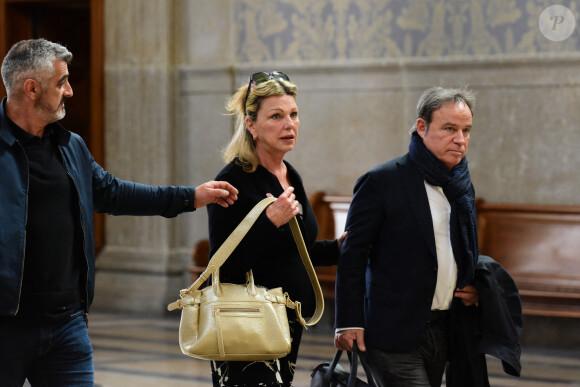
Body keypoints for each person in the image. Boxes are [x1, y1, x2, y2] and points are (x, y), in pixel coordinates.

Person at [0, 38, 238, 386]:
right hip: (6, 328)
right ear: (31, 88)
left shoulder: (70, 146)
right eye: (61, 82)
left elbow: (114, 193)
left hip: (67, 326)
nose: (69, 91)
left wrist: (190, 197)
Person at [207, 71, 347, 386]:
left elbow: (295, 251)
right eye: (276, 116)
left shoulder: (289, 174)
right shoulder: (233, 181)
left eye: (294, 114)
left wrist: (337, 249)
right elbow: (223, 267)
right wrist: (270, 223)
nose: (289, 124)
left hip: (285, 323)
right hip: (246, 325)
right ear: (251, 124)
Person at [334, 86, 480, 387]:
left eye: (466, 130)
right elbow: (353, 254)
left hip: (444, 327)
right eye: (450, 128)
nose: (460, 139)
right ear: (422, 127)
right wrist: (348, 321)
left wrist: (474, 284)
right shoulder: (381, 181)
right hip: (392, 329)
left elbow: (455, 252)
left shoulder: (461, 185)